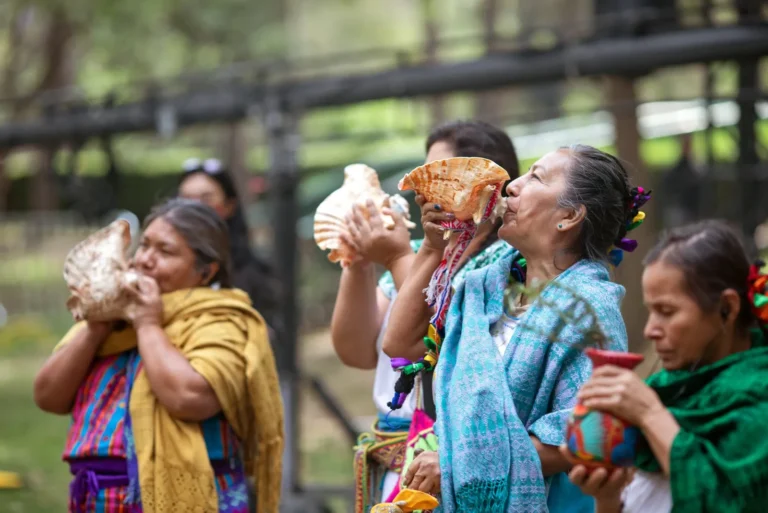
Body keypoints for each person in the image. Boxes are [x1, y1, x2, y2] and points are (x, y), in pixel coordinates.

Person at [385, 145, 650, 512]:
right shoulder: (483, 288)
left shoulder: (589, 309)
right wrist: (434, 248)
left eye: (536, 177)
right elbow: (400, 344)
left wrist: (457, 466)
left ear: (569, 216)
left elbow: (585, 436)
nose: (512, 185)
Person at [33, 198, 284, 513]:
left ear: (205, 272)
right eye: (144, 245)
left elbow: (189, 399)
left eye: (165, 252)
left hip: (195, 499)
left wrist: (148, 324)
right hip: (97, 499)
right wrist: (97, 327)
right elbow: (48, 397)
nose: (145, 260)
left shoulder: (222, 322)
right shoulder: (112, 319)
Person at [330, 120, 519, 511]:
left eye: (439, 174)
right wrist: (359, 261)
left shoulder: (508, 260)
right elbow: (357, 352)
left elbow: (443, 336)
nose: (423, 188)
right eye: (424, 172)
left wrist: (397, 257)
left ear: (483, 183)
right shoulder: (419, 249)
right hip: (395, 457)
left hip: (452, 460)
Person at [565, 220, 768, 513]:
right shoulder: (669, 392)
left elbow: (727, 503)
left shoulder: (759, 403)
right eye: (651, 311)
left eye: (667, 311)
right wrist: (607, 499)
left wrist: (649, 413)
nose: (650, 330)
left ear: (727, 308)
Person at [178, 158, 282, 343]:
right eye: (185, 199)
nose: (194, 208)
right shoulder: (157, 268)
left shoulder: (254, 276)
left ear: (229, 205)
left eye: (206, 198)